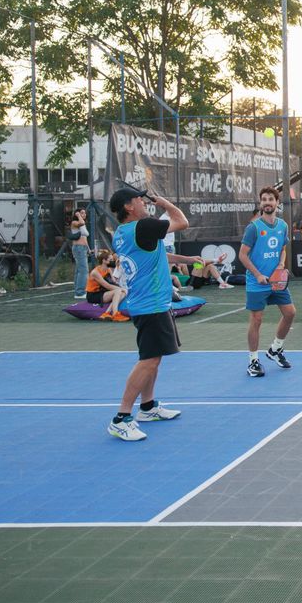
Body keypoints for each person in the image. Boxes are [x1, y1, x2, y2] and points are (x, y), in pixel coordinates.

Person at [106, 187, 186, 441]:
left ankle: (148, 407)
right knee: (148, 360)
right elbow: (181, 221)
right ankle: (121, 417)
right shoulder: (143, 227)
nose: (144, 203)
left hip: (151, 303)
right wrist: (165, 203)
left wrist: (191, 258)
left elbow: (156, 254)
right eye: (140, 200)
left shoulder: (123, 233)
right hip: (151, 305)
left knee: (154, 357)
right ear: (129, 207)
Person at [238, 188, 297, 377]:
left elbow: (283, 249)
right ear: (260, 203)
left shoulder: (282, 226)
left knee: (290, 313)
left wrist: (281, 265)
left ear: (277, 202)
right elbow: (242, 255)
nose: (267, 202)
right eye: (263, 200)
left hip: (276, 281)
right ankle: (253, 361)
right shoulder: (253, 228)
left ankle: (275, 349)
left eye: (270, 199)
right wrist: (257, 275)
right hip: (257, 282)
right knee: (257, 319)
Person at [87, 249, 128, 320]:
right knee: (118, 291)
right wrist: (120, 289)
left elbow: (114, 282)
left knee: (123, 292)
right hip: (93, 295)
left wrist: (118, 267)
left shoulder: (108, 269)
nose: (112, 262)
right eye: (110, 260)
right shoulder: (95, 272)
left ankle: (107, 312)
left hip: (103, 292)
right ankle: (115, 314)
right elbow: (107, 286)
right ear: (104, 261)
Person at [69, 207, 90, 299]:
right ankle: (80, 292)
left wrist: (88, 249)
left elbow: (84, 237)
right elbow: (81, 222)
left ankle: (78, 290)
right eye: (82, 213)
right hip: (78, 248)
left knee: (79, 270)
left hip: (83, 248)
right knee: (83, 270)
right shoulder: (75, 223)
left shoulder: (83, 225)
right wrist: (77, 215)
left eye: (84, 213)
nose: (84, 214)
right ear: (77, 214)